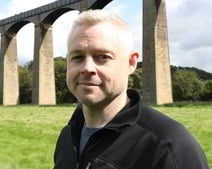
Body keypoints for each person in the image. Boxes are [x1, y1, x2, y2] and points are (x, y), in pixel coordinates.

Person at [53, 9, 209, 169]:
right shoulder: (68, 135)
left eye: (103, 56)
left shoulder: (169, 147)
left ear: (131, 63)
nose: (87, 68)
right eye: (77, 57)